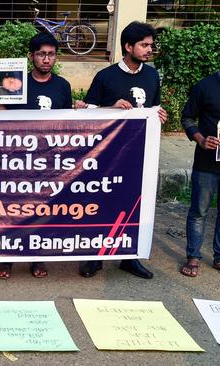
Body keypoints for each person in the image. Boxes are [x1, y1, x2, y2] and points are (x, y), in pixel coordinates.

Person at [75, 21, 167, 279]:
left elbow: (154, 108)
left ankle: (129, 256)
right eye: (144, 45)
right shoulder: (106, 76)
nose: (150, 49)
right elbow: (89, 113)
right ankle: (96, 257)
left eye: (151, 45)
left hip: (139, 153)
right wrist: (112, 108)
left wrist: (159, 114)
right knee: (103, 203)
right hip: (109, 155)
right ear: (128, 46)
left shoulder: (151, 75)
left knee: (136, 203)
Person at [0, 32, 73, 280]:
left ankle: (37, 257)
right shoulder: (16, 81)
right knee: (13, 210)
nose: (46, 59)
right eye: (41, 54)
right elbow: (4, 115)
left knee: (42, 211)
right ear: (31, 56)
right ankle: (9, 259)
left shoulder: (62, 86)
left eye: (51, 54)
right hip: (18, 159)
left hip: (49, 160)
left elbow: (68, 124)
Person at [179, 35, 220, 277]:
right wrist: (200, 138)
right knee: (199, 212)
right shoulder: (205, 86)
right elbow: (187, 117)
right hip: (207, 163)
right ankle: (193, 257)